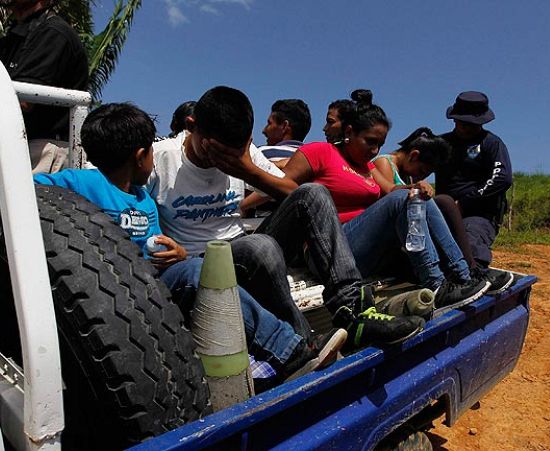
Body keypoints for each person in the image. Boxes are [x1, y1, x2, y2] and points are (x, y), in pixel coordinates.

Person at [0, 102, 344, 383]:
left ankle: (279, 354)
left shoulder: (144, 197)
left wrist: (176, 251)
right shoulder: (83, 184)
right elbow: (6, 189)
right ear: (142, 155)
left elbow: (162, 243)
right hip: (124, 289)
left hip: (162, 283)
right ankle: (290, 350)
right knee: (196, 272)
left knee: (197, 269)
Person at [148, 86, 425, 350]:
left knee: (313, 193)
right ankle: (303, 344)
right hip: (195, 260)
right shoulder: (160, 159)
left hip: (240, 247)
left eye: (235, 151)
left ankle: (352, 311)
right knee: (261, 247)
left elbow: (294, 193)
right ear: (191, 125)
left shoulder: (246, 155)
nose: (220, 161)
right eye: (213, 150)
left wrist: (247, 170)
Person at [261, 90, 490, 309]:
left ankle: (463, 275)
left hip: (361, 249)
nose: (375, 150)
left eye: (379, 144)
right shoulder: (321, 152)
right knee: (404, 199)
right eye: (370, 141)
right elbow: (285, 187)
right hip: (327, 251)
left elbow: (392, 189)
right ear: (349, 132)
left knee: (416, 196)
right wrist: (247, 197)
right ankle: (436, 284)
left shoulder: (367, 166)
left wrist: (418, 187)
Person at [371, 127, 515, 294]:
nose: (421, 177)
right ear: (414, 155)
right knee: (441, 201)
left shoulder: (407, 173)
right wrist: (415, 188)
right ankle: (463, 273)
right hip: (394, 240)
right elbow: (392, 202)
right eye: (422, 171)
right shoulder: (384, 163)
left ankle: (468, 271)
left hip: (408, 236)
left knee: (444, 202)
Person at [0, 0, 89, 174]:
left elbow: (22, 101)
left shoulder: (53, 33)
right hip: (11, 148)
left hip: (42, 153)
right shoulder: (12, 40)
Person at [435, 91, 514, 290]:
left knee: (471, 241)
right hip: (442, 211)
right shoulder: (442, 143)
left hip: (479, 213)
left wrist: (464, 203)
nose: (466, 127)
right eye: (462, 122)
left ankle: (473, 279)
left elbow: (502, 178)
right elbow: (413, 162)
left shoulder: (491, 143)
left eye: (472, 123)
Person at [258, 99, 311, 169]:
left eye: (269, 123)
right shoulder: (315, 162)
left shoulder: (262, 154)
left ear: (284, 126)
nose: (264, 130)